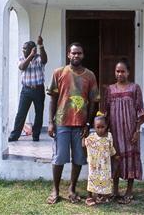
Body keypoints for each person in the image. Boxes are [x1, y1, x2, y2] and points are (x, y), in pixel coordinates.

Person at [46, 42, 100, 204]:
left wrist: (88, 124)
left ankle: (72, 188)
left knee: (78, 159)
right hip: (62, 122)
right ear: (68, 54)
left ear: (83, 55)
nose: (76, 56)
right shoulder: (59, 73)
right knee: (59, 158)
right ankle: (55, 189)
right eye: (73, 53)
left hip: (81, 124)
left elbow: (93, 101)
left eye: (79, 53)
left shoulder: (90, 76)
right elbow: (52, 99)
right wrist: (50, 122)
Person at [104, 58, 144, 204]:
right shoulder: (110, 89)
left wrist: (137, 131)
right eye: (118, 71)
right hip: (115, 132)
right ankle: (115, 191)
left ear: (128, 72)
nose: (120, 74)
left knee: (131, 159)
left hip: (130, 132)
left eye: (123, 71)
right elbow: (107, 113)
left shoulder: (135, 88)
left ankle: (129, 191)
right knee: (115, 158)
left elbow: (139, 111)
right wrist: (106, 133)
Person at [8, 36, 47, 142]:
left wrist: (41, 46)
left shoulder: (39, 58)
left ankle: (36, 135)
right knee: (21, 113)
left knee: (39, 113)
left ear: (32, 49)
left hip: (38, 89)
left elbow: (44, 60)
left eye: (26, 48)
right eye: (23, 48)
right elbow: (22, 67)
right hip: (26, 90)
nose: (23, 50)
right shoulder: (21, 58)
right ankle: (15, 135)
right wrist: (30, 55)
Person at [83, 113, 119, 206]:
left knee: (105, 179)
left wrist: (115, 155)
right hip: (94, 164)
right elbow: (84, 145)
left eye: (102, 127)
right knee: (92, 178)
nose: (100, 129)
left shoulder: (109, 136)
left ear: (106, 126)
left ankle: (103, 196)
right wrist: (83, 138)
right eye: (97, 127)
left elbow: (111, 147)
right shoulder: (91, 137)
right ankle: (89, 196)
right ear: (94, 127)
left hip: (105, 165)